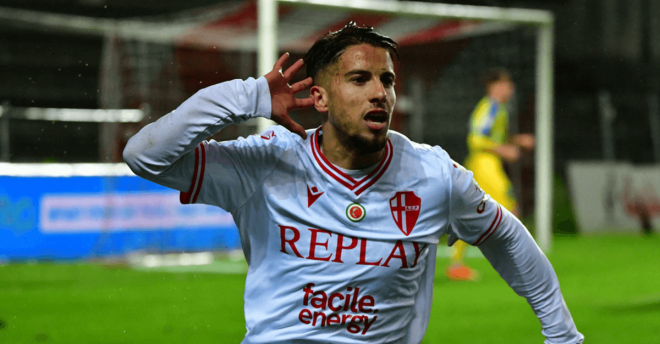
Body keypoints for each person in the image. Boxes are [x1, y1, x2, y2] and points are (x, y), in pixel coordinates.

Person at [123, 22, 582, 344]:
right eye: (359, 79)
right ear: (319, 97)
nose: (379, 92)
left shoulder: (433, 176)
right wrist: (247, 96)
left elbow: (504, 234)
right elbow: (144, 155)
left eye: (387, 80)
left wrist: (562, 334)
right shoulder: (265, 163)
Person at [446, 69, 536, 282]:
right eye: (506, 84)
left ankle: (456, 266)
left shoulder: (498, 108)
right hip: (484, 164)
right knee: (509, 209)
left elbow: (490, 136)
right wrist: (504, 149)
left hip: (482, 163)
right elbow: (475, 139)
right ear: (494, 87)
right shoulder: (492, 107)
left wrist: (515, 141)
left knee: (469, 215)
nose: (510, 89)